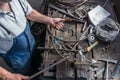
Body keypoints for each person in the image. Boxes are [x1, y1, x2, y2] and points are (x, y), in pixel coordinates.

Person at [0, 0, 65, 79]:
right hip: (17, 57)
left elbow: (29, 13)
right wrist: (6, 75)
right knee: (27, 75)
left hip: (31, 43)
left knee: (38, 62)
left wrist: (50, 20)